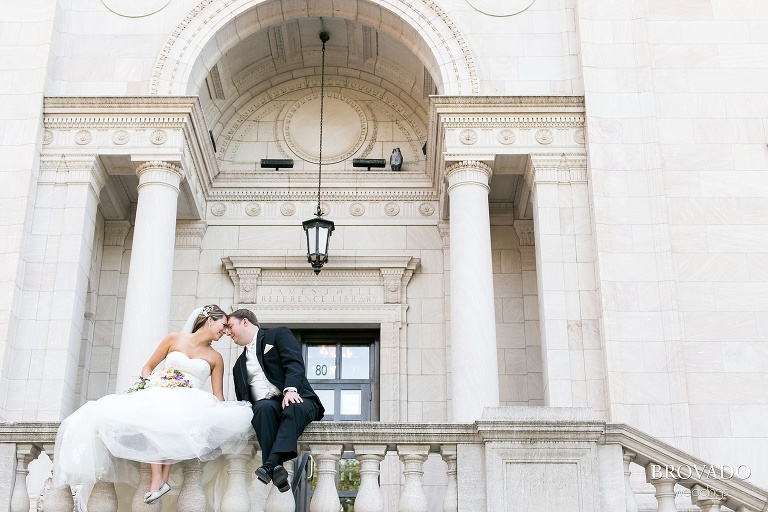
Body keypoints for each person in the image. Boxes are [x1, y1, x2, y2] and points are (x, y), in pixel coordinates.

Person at [53, 305, 254, 507]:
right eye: (224, 325)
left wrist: (221, 415)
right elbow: (148, 367)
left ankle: (160, 479)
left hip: (191, 400)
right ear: (210, 320)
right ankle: (159, 478)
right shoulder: (173, 339)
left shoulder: (216, 358)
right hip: (161, 391)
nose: (226, 331)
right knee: (154, 414)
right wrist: (150, 384)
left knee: (172, 416)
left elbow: (218, 394)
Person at [227, 309, 324, 493]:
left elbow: (294, 363)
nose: (228, 332)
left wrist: (290, 390)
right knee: (261, 408)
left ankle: (270, 463)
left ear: (245, 322)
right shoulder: (238, 365)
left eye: (231, 326)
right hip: (269, 406)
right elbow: (245, 401)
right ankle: (277, 468)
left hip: (299, 398)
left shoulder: (277, 334)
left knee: (292, 406)